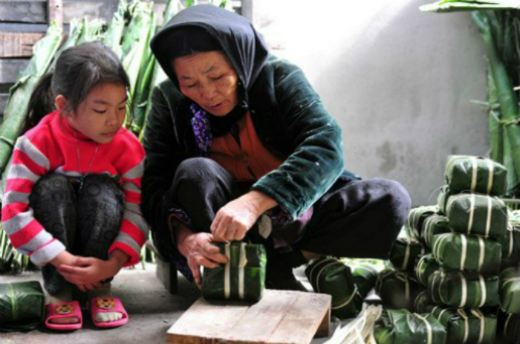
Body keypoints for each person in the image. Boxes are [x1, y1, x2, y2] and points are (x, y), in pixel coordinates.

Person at [142, 5, 411, 291]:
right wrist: (185, 240)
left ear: (239, 60)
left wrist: (254, 202)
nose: (207, 93)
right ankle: (228, 268)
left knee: (390, 199)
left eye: (217, 76)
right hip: (219, 219)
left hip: (288, 212)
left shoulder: (278, 77)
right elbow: (154, 184)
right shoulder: (169, 101)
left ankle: (273, 266)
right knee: (195, 171)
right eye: (190, 83)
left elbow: (325, 143)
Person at [1, 42, 147, 330]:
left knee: (103, 190)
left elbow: (137, 209)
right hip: (57, 256)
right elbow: (13, 212)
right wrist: (64, 261)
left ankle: (99, 289)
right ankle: (58, 292)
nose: (115, 120)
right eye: (100, 109)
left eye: (121, 107)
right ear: (63, 107)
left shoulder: (128, 147)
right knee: (51, 188)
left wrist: (112, 264)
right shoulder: (36, 143)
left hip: (103, 261)